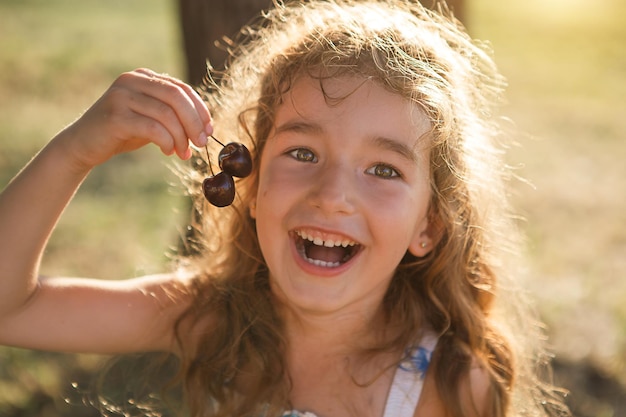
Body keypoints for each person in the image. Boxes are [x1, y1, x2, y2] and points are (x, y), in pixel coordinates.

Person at [0, 0, 570, 416]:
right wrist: (74, 151)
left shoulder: (450, 383)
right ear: (249, 189)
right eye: (302, 152)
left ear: (429, 226)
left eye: (383, 169)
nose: (332, 195)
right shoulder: (209, 319)